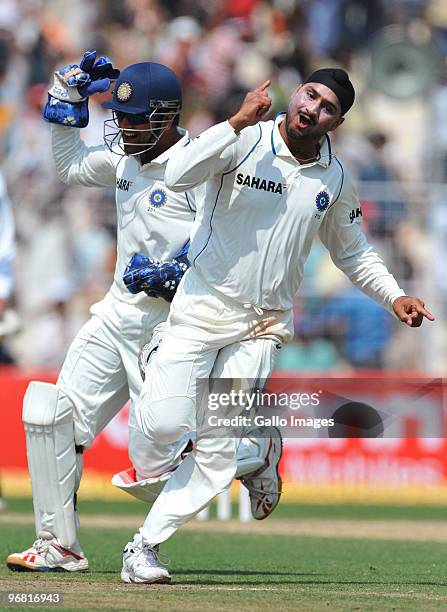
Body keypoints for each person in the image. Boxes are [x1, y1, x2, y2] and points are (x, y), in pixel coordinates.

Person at [123, 68, 434, 583]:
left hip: (262, 327)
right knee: (161, 428)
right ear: (297, 93)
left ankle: (144, 548)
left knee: (216, 452)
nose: (312, 107)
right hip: (200, 311)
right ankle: (260, 449)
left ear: (337, 121)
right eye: (310, 94)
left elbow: (353, 252)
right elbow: (177, 174)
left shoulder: (333, 179)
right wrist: (233, 122)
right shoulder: (244, 138)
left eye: (327, 106)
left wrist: (395, 295)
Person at [6, 52, 282, 574]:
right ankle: (57, 545)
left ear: (167, 117)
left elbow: (225, 240)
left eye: (135, 121)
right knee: (51, 418)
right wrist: (67, 96)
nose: (124, 130)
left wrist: (174, 272)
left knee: (151, 475)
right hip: (116, 315)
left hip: (175, 326)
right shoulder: (124, 159)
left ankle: (254, 449)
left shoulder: (204, 165)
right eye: (120, 119)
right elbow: (67, 165)